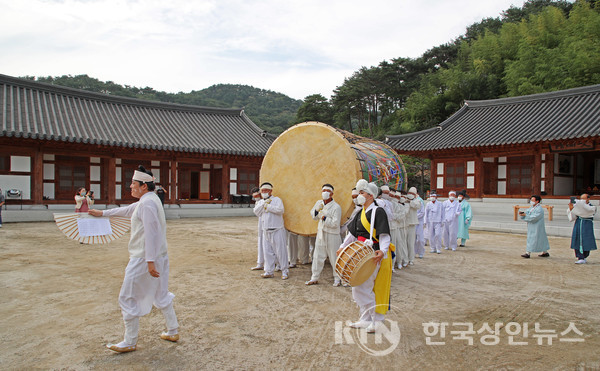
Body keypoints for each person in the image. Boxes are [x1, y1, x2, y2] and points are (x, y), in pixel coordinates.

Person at [88, 165, 179, 353]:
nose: (130, 187)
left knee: (127, 295)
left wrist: (149, 261)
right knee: (161, 293)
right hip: (158, 255)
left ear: (144, 186)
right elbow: (128, 210)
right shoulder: (150, 199)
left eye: (133, 184)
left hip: (144, 257)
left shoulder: (147, 203)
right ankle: (173, 330)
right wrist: (102, 213)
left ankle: (130, 340)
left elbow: (152, 233)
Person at [337, 179, 393, 334]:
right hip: (361, 252)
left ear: (370, 195)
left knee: (365, 287)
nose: (358, 196)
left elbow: (384, 234)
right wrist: (342, 247)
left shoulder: (378, 211)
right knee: (359, 286)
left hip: (372, 253)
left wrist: (383, 250)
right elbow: (352, 234)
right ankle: (366, 319)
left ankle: (377, 321)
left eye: (361, 193)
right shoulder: (360, 212)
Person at [306, 184, 342, 286]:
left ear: (331, 193)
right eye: (323, 190)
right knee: (317, 255)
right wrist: (317, 211)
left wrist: (324, 217)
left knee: (334, 256)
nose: (324, 192)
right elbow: (313, 216)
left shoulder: (336, 207)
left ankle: (337, 278)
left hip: (332, 235)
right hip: (321, 233)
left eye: (327, 191)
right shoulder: (319, 203)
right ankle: (314, 277)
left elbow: (335, 224)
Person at [253, 182, 289, 279]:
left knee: (281, 251)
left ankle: (284, 270)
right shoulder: (261, 202)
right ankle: (269, 271)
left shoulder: (277, 200)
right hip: (266, 230)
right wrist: (264, 204)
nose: (264, 192)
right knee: (267, 251)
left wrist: (269, 207)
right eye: (262, 191)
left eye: (266, 190)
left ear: (270, 191)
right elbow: (256, 212)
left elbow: (280, 210)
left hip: (277, 229)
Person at [568, 194, 597, 264]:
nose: (582, 201)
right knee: (577, 238)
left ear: (588, 199)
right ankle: (580, 256)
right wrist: (571, 209)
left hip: (587, 224)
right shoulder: (577, 205)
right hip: (578, 222)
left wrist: (577, 208)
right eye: (581, 199)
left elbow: (587, 211)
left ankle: (585, 255)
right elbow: (574, 215)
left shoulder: (591, 207)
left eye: (584, 199)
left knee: (586, 239)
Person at [249, 188, 265, 271]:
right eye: (254, 196)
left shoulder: (265, 201)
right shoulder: (258, 202)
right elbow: (256, 212)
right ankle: (260, 262)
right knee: (261, 243)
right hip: (261, 224)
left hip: (269, 224)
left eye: (257, 195)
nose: (256, 197)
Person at [406, 187, 421, 264]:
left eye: (412, 194)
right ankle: (405, 258)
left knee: (410, 243)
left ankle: (411, 259)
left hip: (412, 224)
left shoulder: (417, 201)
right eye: (410, 193)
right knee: (404, 243)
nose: (410, 195)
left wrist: (409, 201)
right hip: (405, 224)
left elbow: (416, 206)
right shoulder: (405, 200)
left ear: (415, 195)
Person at [414, 191, 426, 258]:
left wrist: (415, 216)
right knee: (413, 239)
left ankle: (421, 252)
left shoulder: (420, 202)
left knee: (420, 239)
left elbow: (422, 213)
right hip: (412, 223)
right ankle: (414, 252)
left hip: (419, 223)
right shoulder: (410, 203)